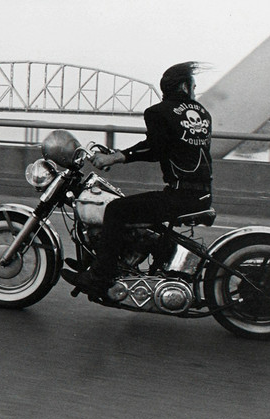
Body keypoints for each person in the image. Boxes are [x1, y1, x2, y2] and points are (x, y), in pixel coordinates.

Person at [61, 61, 213, 295]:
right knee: (137, 212)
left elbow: (155, 149)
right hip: (201, 193)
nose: (194, 90)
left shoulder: (159, 112)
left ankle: (100, 277)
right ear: (184, 86)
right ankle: (103, 261)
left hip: (180, 196)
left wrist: (114, 158)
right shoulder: (203, 114)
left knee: (116, 210)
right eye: (193, 85)